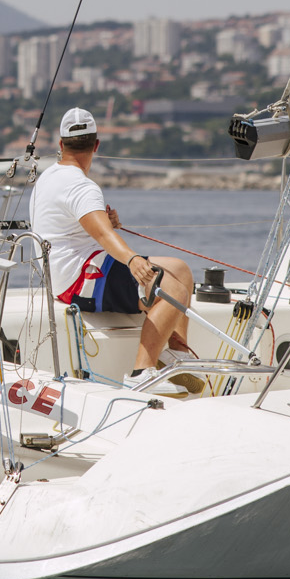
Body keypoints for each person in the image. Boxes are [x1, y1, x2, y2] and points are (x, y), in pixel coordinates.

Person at [29, 108, 196, 386]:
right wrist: (131, 259)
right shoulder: (82, 187)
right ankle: (142, 373)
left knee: (181, 270)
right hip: (78, 280)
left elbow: (64, 225)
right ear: (96, 145)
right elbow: (104, 235)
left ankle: (175, 354)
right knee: (173, 290)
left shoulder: (48, 177)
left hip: (62, 274)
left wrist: (105, 223)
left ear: (61, 144)